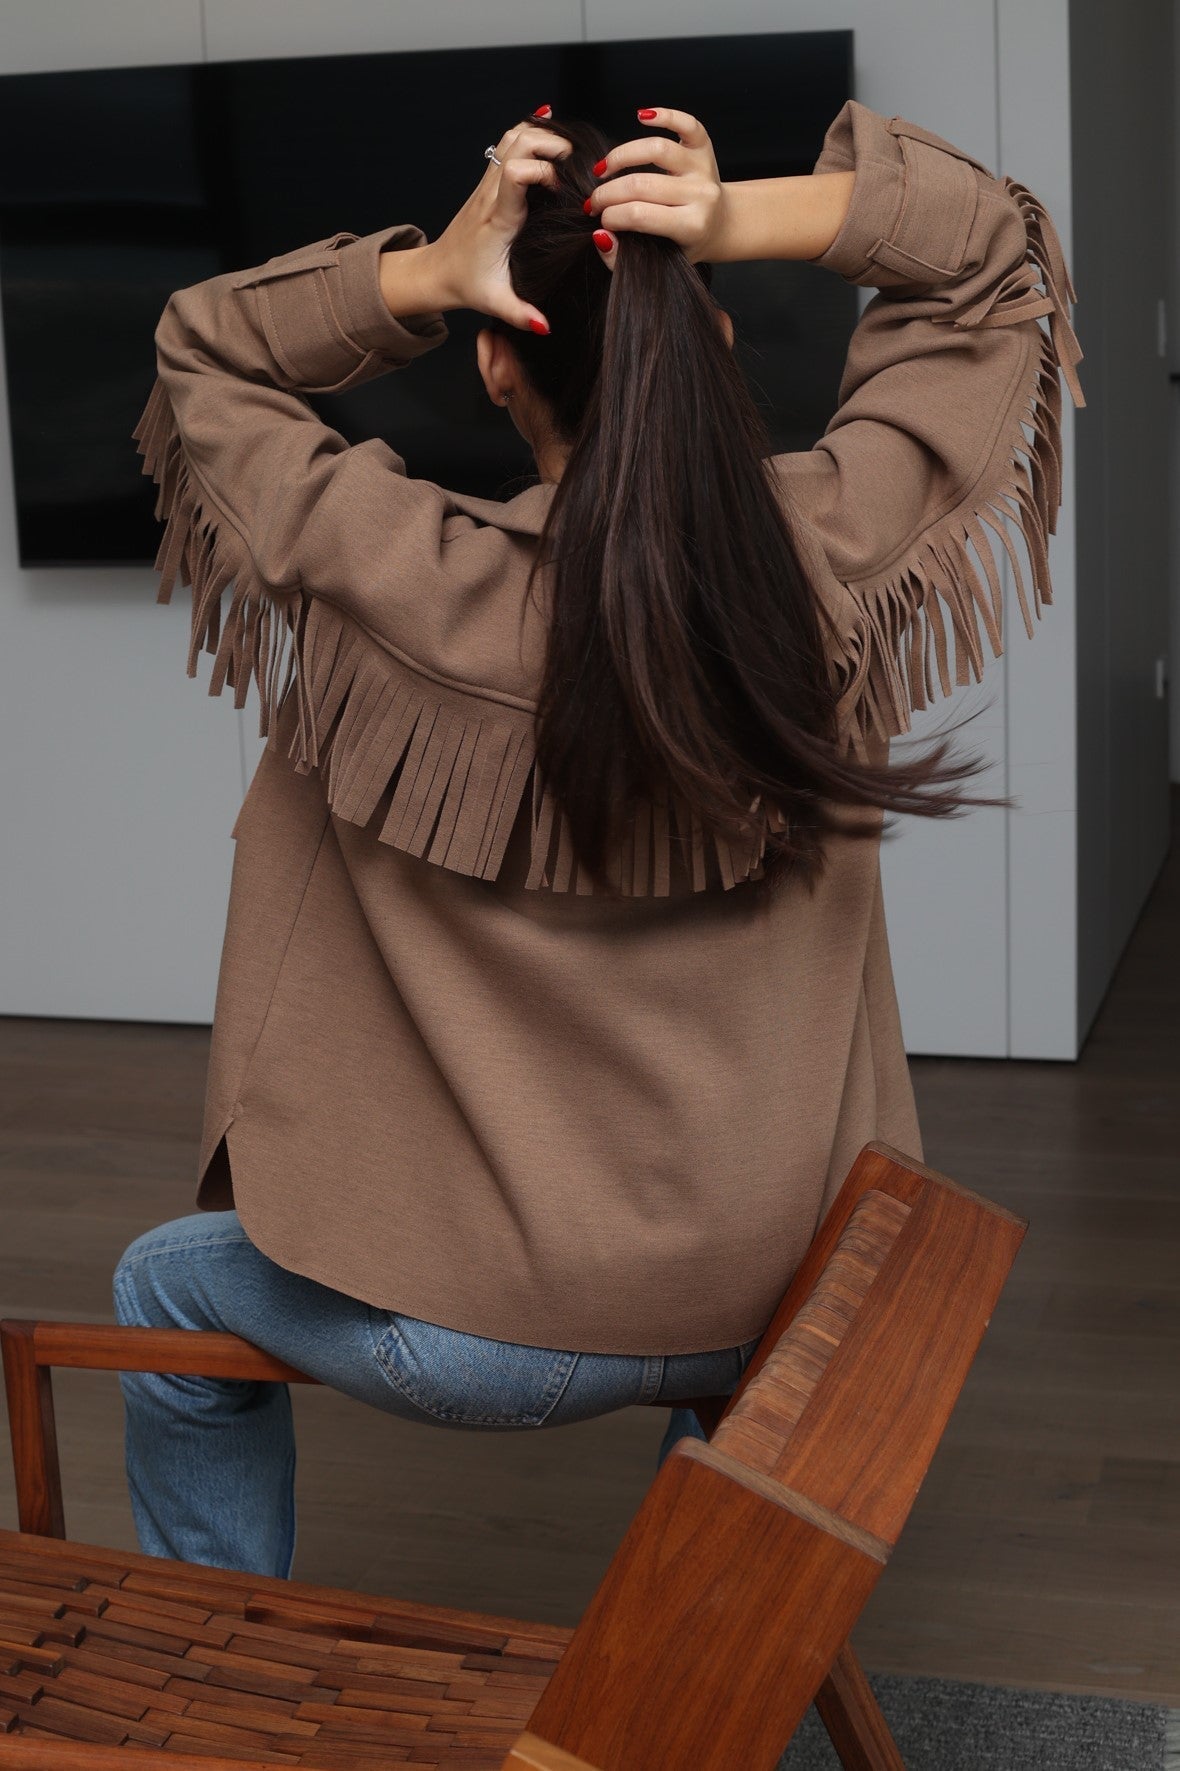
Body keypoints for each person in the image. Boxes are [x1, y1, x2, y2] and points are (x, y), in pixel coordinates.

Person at [115, 97, 1083, 1578]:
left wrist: (427, 274)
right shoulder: (827, 564)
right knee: (732, 1313)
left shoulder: (395, 573)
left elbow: (203, 346)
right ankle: (708, 1606)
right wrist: (736, 218)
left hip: (481, 1341)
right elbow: (996, 260)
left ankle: (217, 1664)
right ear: (717, 344)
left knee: (159, 1290)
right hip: (783, 1299)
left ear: (498, 361)